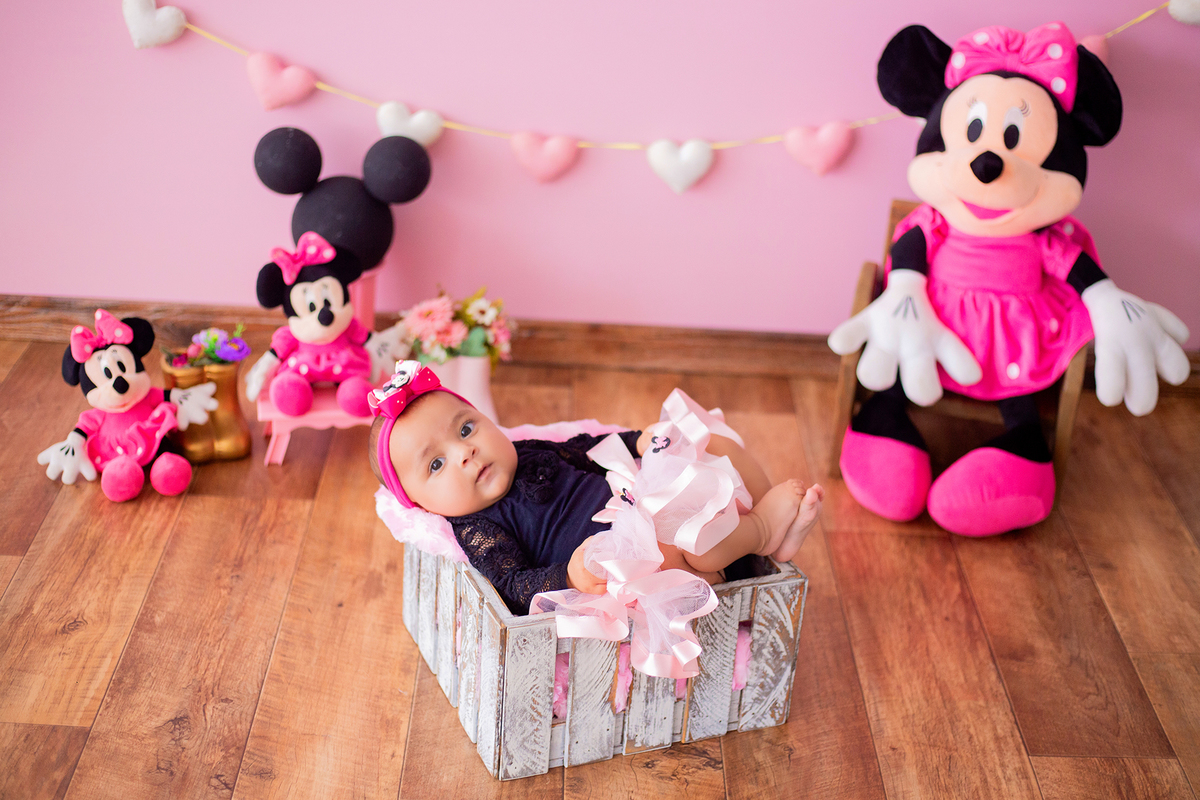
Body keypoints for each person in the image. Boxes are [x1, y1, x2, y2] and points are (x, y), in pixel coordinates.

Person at [368, 360, 823, 614]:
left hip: (637, 495)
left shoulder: (525, 450)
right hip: (626, 557)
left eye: (466, 429)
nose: (465, 452)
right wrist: (567, 577)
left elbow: (586, 448)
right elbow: (512, 584)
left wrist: (637, 441)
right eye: (436, 464)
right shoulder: (477, 527)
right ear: (421, 504)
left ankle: (765, 524)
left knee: (704, 438)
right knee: (679, 544)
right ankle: (762, 531)